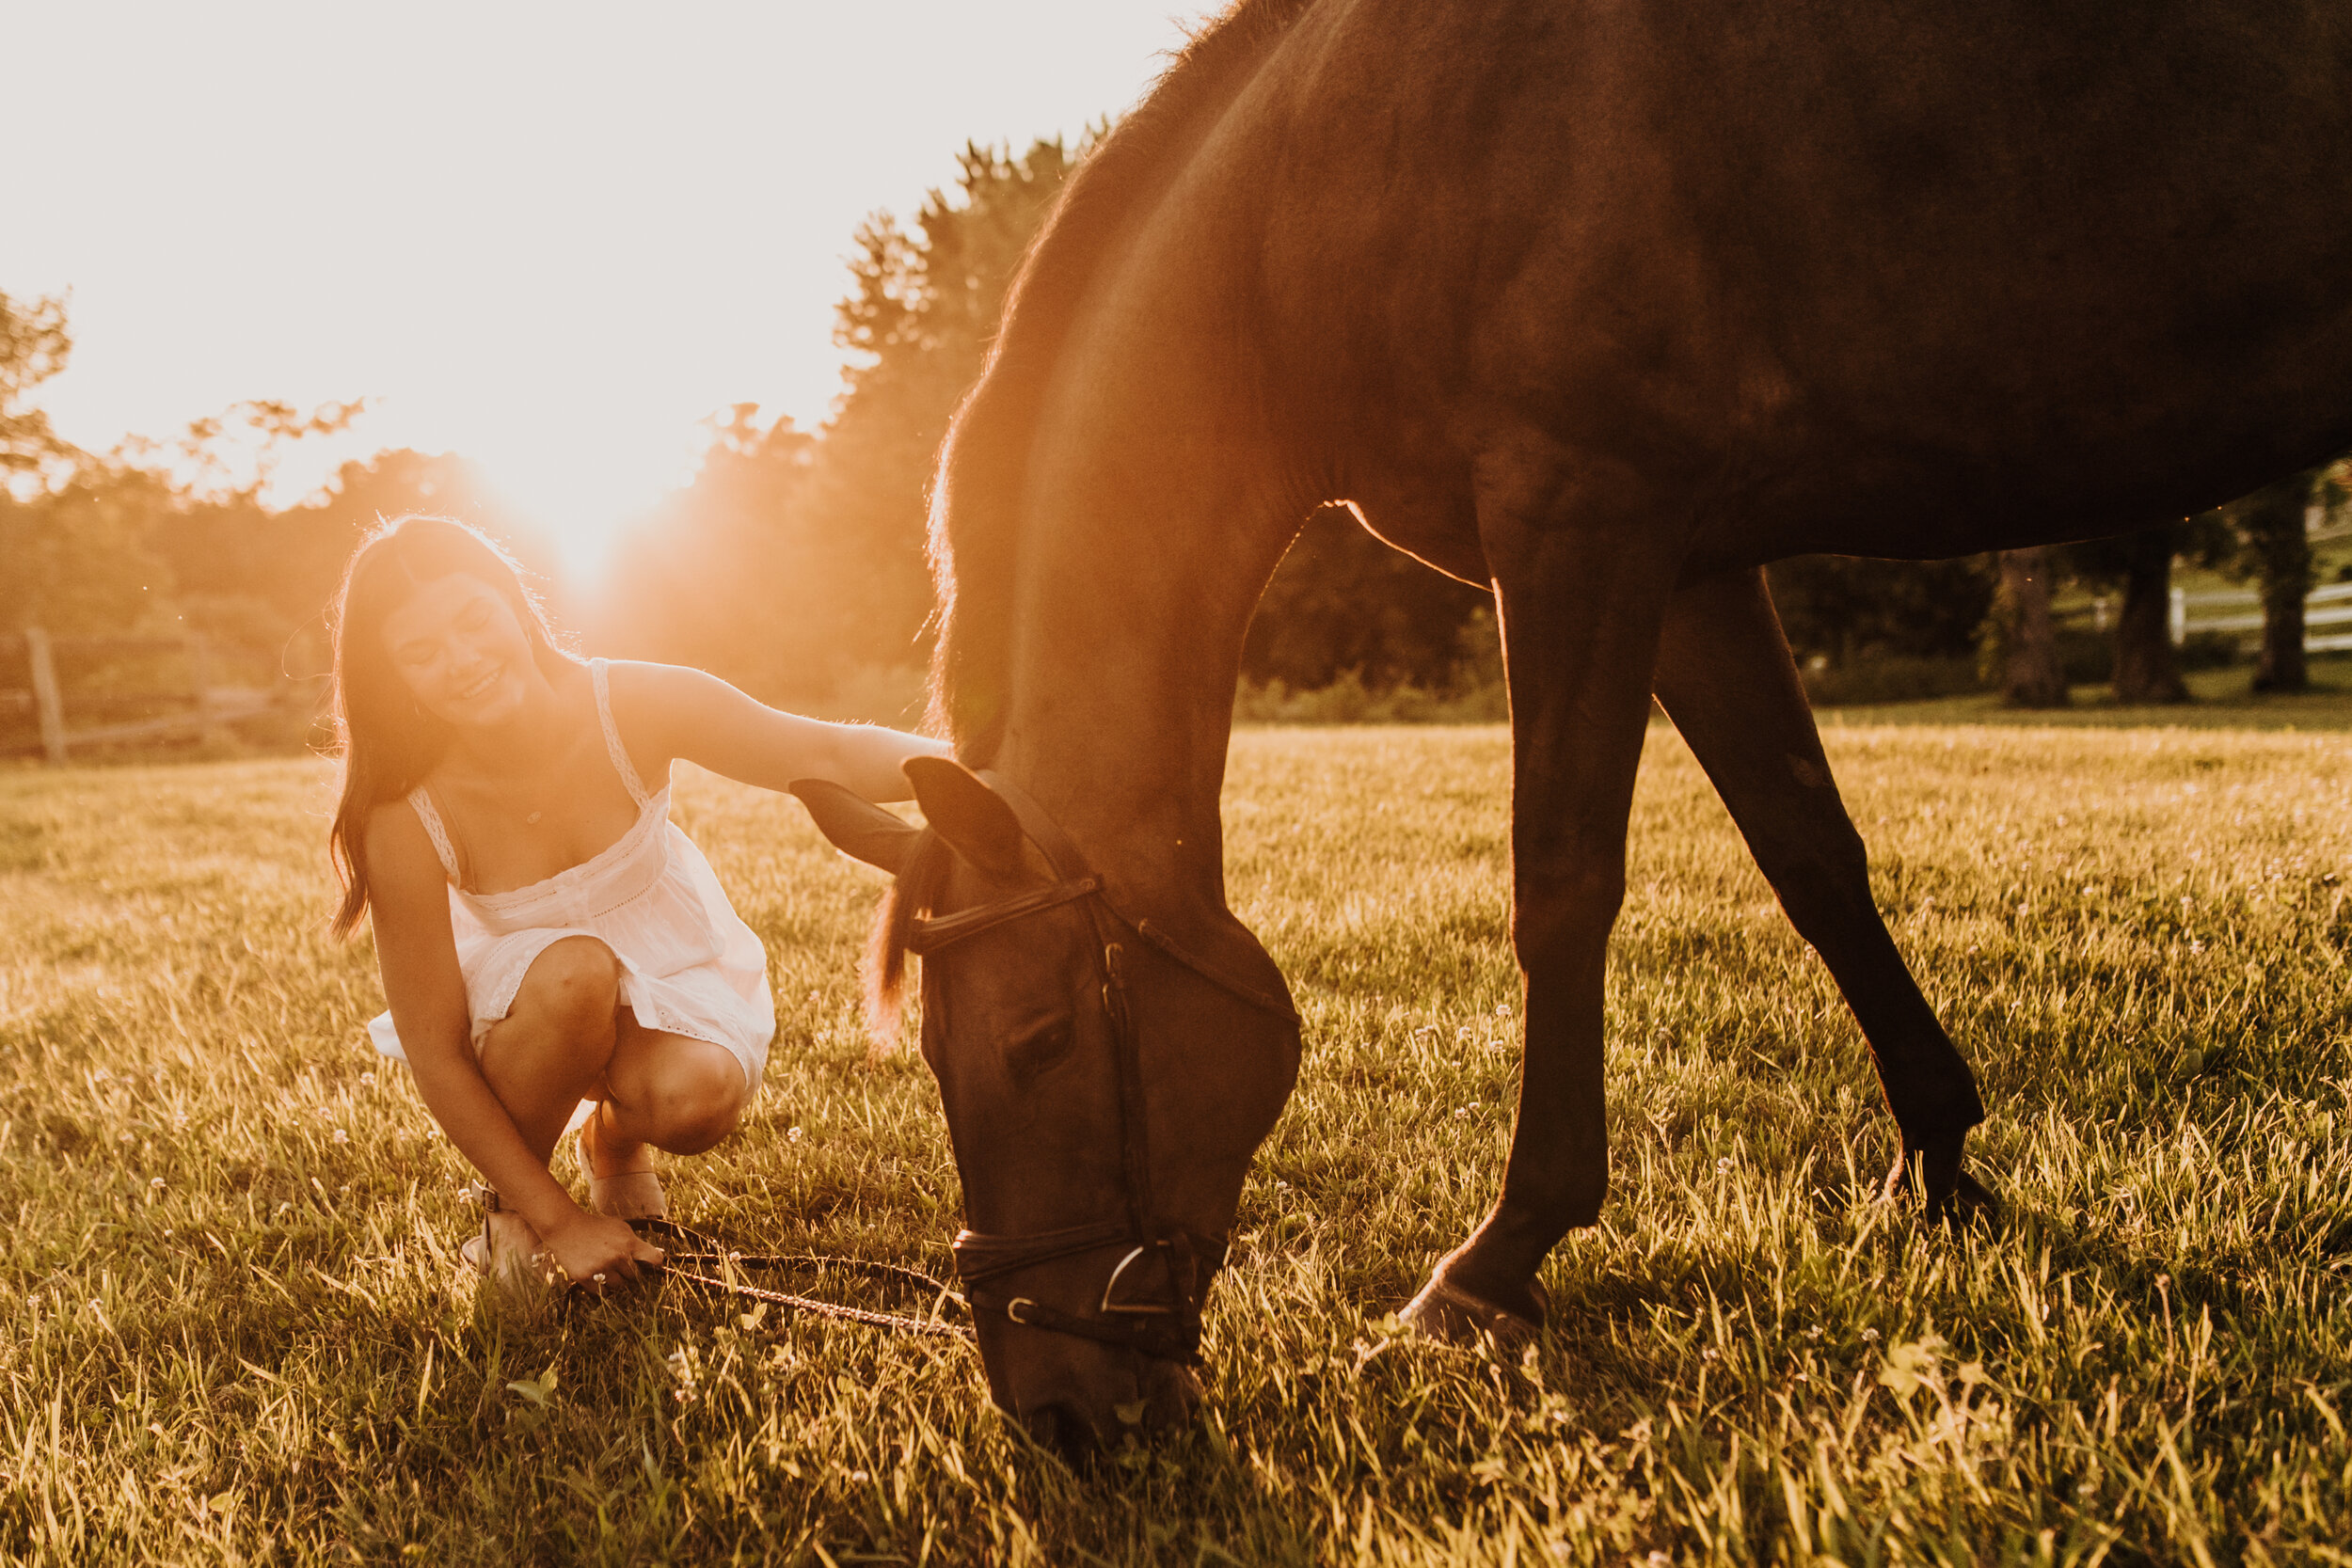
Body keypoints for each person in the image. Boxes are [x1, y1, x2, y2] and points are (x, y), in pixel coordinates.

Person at [326, 515, 946, 1299]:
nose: (461, 660)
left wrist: (975, 778)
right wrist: (560, 1224)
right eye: (420, 653)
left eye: (473, 619)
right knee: (574, 973)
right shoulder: (403, 814)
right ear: (397, 679)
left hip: (662, 959)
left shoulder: (632, 702)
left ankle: (613, 1143)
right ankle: (510, 1214)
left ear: (515, 605)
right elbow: (436, 1050)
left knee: (699, 1098)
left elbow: (822, 751)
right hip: (526, 1006)